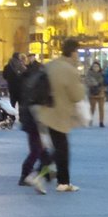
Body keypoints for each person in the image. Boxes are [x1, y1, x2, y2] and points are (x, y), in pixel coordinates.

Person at [36, 38, 89, 192]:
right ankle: (55, 180)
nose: (78, 55)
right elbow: (77, 95)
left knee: (58, 147)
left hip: (46, 111)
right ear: (73, 52)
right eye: (77, 52)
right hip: (60, 114)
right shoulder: (70, 69)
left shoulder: (51, 65)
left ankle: (53, 177)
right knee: (61, 149)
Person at [18, 59, 50, 194]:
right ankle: (27, 175)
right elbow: (44, 99)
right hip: (37, 118)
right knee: (39, 150)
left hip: (28, 117)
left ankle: (45, 174)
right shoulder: (41, 80)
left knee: (40, 150)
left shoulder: (28, 80)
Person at [86, 60, 107, 127]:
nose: (96, 68)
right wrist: (94, 84)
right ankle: (90, 120)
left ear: (99, 67)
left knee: (101, 108)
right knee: (92, 108)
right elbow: (87, 82)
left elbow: (105, 83)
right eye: (94, 66)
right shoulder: (89, 74)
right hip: (92, 93)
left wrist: (103, 88)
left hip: (101, 93)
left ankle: (101, 122)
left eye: (97, 66)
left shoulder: (103, 74)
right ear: (92, 67)